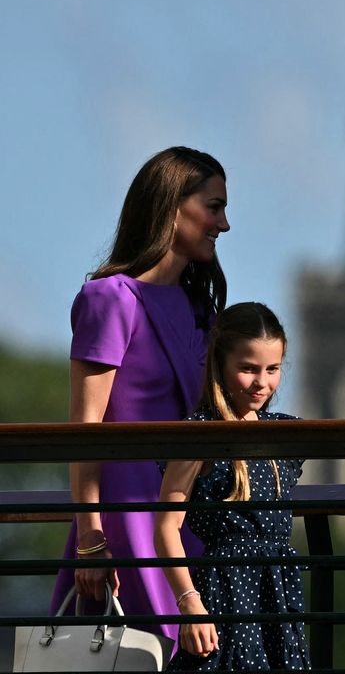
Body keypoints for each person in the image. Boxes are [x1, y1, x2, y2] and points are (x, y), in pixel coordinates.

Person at [51, 146, 229, 648]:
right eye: (214, 207)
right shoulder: (109, 300)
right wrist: (90, 538)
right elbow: (84, 429)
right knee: (146, 658)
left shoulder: (202, 310)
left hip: (189, 513)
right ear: (174, 207)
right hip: (126, 516)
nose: (224, 223)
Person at [154, 302, 311, 674]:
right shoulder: (201, 432)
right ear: (220, 364)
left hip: (276, 587)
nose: (262, 383)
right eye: (248, 369)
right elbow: (165, 526)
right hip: (225, 587)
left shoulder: (282, 433)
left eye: (273, 370)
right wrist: (190, 605)